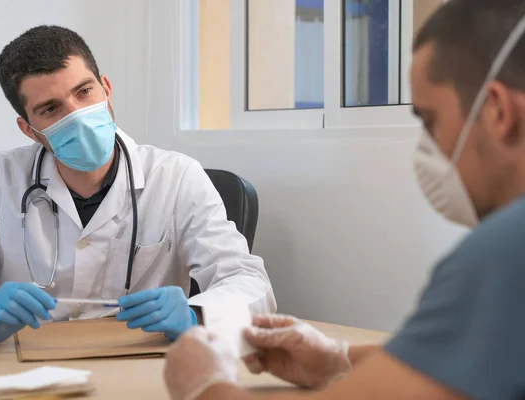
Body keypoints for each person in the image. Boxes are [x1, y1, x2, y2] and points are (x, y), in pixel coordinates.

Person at [164, 0, 525, 399]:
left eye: (430, 120)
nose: (428, 148)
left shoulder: (505, 253)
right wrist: (340, 359)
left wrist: (205, 384)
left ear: (496, 110)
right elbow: (469, 358)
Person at [0, 26, 276, 344]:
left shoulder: (176, 176)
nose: (76, 114)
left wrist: (194, 314)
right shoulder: (3, 177)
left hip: (141, 362)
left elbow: (250, 284)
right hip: (29, 366)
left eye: (84, 91)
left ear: (106, 89)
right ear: (29, 129)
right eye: (51, 109)